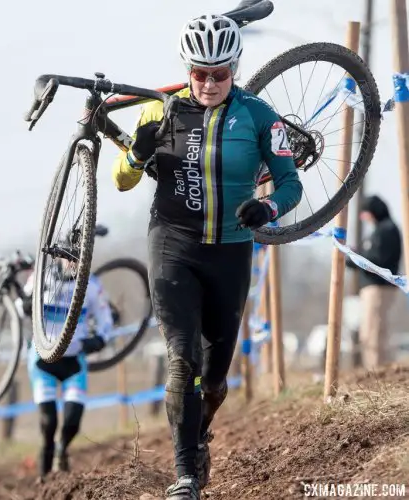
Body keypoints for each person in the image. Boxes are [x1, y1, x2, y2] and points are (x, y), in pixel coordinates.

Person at [111, 13, 303, 500]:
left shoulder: (259, 115)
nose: (210, 82)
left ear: (235, 68)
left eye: (220, 73)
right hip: (173, 244)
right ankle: (185, 476)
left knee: (214, 377)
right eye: (200, 73)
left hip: (232, 252)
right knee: (182, 361)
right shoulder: (159, 112)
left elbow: (291, 183)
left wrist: (268, 206)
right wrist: (136, 154)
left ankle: (197, 437)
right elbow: (121, 179)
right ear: (187, 69)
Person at [19, 254, 113, 481]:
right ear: (59, 257)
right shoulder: (42, 278)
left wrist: (100, 339)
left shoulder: (91, 285)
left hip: (74, 361)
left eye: (79, 258)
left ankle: (62, 451)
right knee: (48, 422)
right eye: (68, 257)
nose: (74, 262)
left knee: (72, 421)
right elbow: (22, 307)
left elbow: (106, 318)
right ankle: (44, 479)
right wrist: (25, 303)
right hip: (43, 362)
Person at [346, 194, 402, 370]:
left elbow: (378, 260)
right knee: (373, 331)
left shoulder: (387, 230)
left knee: (373, 333)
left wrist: (357, 257)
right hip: (374, 289)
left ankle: (376, 371)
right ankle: (377, 369)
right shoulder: (381, 230)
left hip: (379, 289)